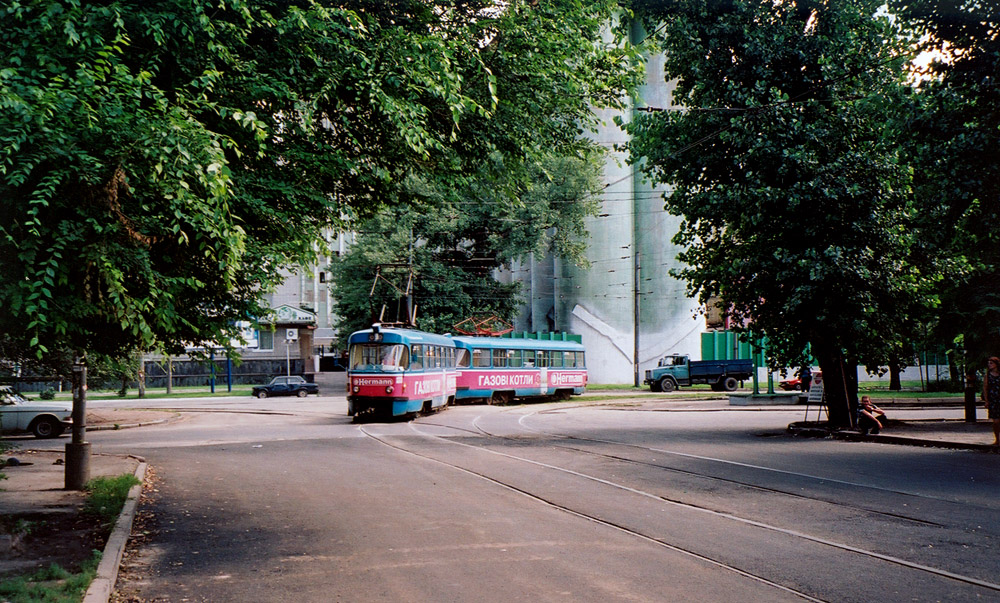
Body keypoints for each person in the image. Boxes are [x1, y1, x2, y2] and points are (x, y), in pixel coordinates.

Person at [983, 357, 1000, 446]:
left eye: (991, 363)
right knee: (996, 421)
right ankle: (997, 439)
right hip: (993, 399)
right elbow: (985, 388)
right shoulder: (988, 376)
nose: (989, 365)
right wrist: (986, 400)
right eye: (989, 363)